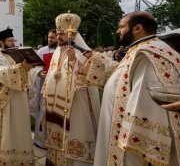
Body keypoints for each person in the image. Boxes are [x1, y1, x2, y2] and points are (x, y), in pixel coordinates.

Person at [95, 12, 180, 166]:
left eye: (121, 26)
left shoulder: (148, 54)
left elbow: (147, 103)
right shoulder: (143, 49)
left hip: (131, 148)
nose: (117, 31)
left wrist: (136, 141)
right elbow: (122, 79)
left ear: (137, 28)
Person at [43, 13, 100, 166]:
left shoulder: (84, 52)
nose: (59, 36)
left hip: (76, 104)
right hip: (56, 104)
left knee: (75, 132)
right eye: (58, 33)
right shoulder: (57, 51)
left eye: (63, 34)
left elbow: (91, 77)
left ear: (74, 35)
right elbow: (52, 73)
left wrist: (75, 60)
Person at [0, 28, 35, 165]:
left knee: (21, 125)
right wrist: (22, 67)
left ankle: (23, 156)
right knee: (8, 126)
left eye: (13, 40)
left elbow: (27, 73)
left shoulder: (17, 54)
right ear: (2, 43)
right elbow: (2, 74)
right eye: (9, 41)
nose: (12, 43)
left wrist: (29, 68)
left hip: (20, 96)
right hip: (7, 98)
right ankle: (8, 158)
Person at [29, 29, 57, 149]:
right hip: (42, 85)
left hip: (56, 86)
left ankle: (53, 141)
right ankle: (39, 140)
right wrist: (39, 72)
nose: (50, 39)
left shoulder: (61, 51)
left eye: (53, 37)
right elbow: (32, 67)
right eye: (49, 37)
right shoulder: (41, 51)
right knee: (42, 111)